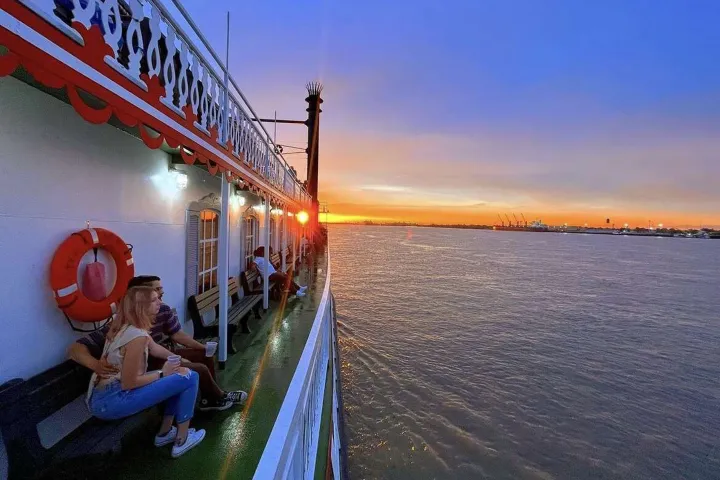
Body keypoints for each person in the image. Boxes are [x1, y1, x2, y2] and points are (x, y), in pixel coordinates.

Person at [69, 275, 247, 412]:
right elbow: (76, 348)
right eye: (156, 291)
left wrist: (202, 347)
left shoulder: (162, 310)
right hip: (144, 366)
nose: (161, 294)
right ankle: (213, 399)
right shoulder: (121, 323)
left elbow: (176, 334)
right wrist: (95, 365)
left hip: (162, 353)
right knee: (197, 368)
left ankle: (211, 399)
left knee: (203, 356)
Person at [85, 286, 204, 458]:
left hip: (104, 397)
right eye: (155, 300)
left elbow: (155, 349)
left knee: (180, 377)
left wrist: (181, 361)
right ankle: (182, 439)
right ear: (141, 306)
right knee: (190, 377)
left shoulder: (127, 327)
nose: (160, 303)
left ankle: (164, 433)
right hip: (113, 400)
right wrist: (163, 373)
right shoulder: (136, 337)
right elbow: (129, 383)